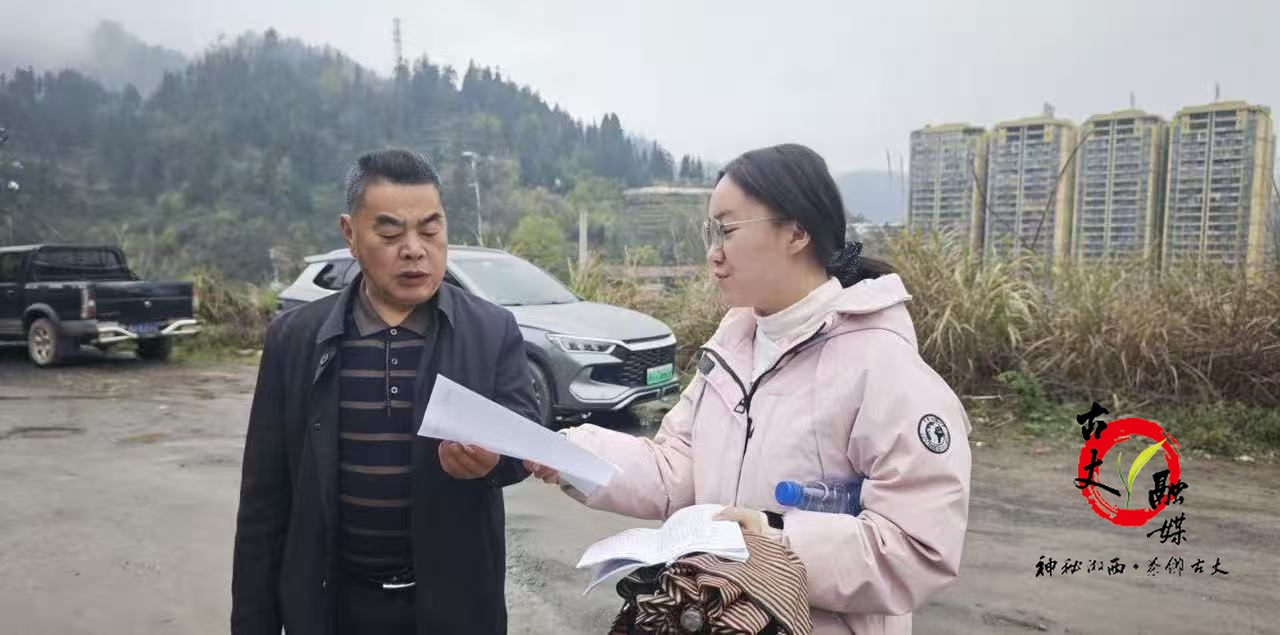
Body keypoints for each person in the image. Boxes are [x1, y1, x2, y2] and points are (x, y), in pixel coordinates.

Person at [527, 144, 972, 634]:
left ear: (797, 232)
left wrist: (774, 540)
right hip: (718, 617)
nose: (713, 252)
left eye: (728, 230)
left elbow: (916, 547)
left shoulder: (882, 366)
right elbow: (678, 467)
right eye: (710, 233)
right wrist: (572, 453)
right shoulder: (733, 347)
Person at [232, 149, 536, 635]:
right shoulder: (295, 339)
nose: (414, 250)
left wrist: (494, 460)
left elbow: (525, 444)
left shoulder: (491, 330)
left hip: (455, 608)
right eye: (390, 233)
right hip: (333, 608)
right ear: (350, 234)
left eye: (431, 230)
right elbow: (263, 505)